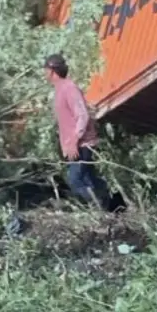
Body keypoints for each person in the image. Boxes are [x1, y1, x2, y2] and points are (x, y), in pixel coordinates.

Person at [44, 54, 111, 209]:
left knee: (75, 180)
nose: (44, 73)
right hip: (74, 146)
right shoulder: (59, 90)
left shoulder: (69, 88)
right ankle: (113, 206)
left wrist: (74, 141)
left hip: (82, 144)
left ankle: (101, 207)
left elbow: (82, 115)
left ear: (52, 71)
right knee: (89, 179)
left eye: (46, 69)